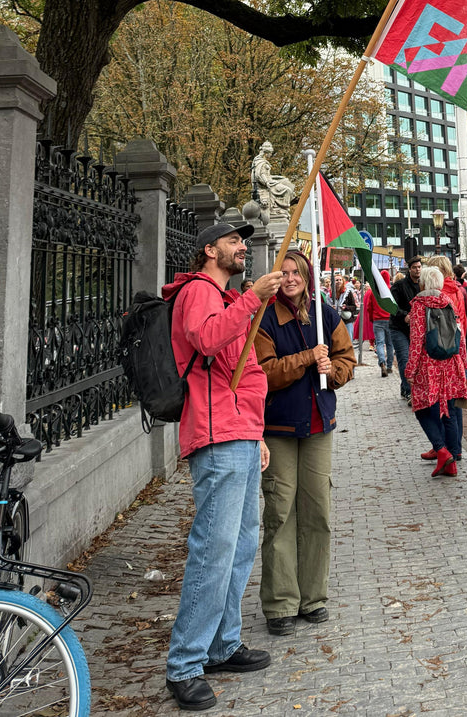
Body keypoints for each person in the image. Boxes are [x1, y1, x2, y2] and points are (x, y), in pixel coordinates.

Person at [161, 221, 282, 711]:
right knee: (215, 549)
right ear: (210, 250)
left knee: (241, 545)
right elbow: (207, 340)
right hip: (216, 435)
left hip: (240, 433)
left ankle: (221, 644)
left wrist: (257, 432)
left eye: (242, 240)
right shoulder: (197, 292)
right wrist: (253, 299)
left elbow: (245, 372)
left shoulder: (228, 299)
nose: (242, 247)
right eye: (234, 241)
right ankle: (184, 663)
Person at [253, 250, 355, 636]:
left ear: (307, 277)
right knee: (280, 513)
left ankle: (313, 597)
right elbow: (263, 373)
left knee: (317, 512)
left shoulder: (325, 315)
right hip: (278, 427)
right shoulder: (265, 318)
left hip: (318, 427)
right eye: (284, 272)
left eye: (297, 272)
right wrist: (307, 358)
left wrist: (335, 369)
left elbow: (346, 358)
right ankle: (280, 602)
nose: (291, 278)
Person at [406, 265, 467, 476]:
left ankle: (441, 450)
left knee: (422, 408)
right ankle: (452, 460)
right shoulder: (448, 301)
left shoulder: (419, 305)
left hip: (428, 364)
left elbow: (417, 341)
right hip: (451, 363)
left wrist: (410, 370)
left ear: (423, 283)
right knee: (449, 410)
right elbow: (459, 335)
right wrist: (463, 362)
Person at [389, 256, 423, 402]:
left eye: (419, 267)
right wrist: (404, 315)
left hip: (417, 328)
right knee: (404, 358)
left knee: (417, 360)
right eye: (414, 267)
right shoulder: (399, 285)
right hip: (399, 328)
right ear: (409, 269)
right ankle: (409, 391)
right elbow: (392, 306)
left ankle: (405, 387)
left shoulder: (423, 285)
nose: (417, 270)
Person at [363, 279, 394, 377]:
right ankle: (389, 366)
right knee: (389, 344)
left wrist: (372, 319)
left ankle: (382, 362)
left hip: (377, 320)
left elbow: (369, 307)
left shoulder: (374, 292)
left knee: (379, 343)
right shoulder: (391, 291)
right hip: (389, 320)